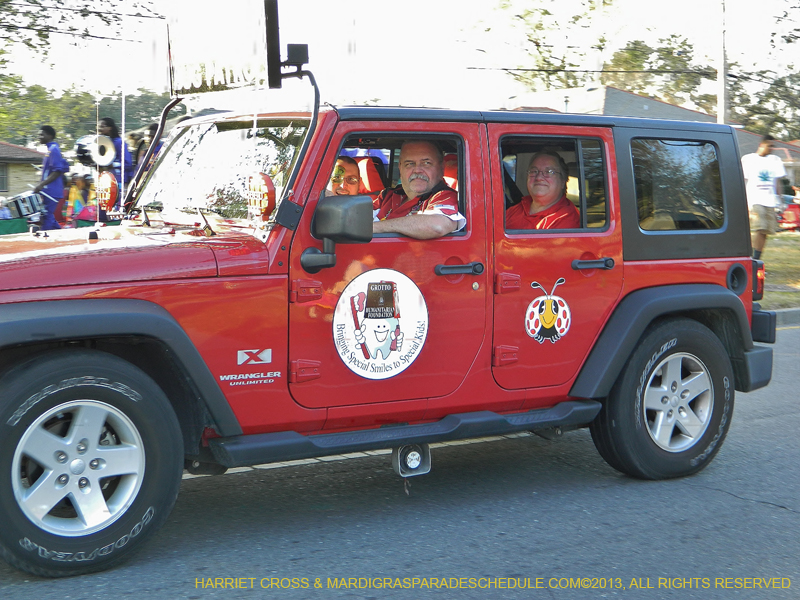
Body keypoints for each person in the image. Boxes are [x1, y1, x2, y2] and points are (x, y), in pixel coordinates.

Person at [372, 141, 465, 239]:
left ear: (442, 168)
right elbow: (360, 218)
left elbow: (436, 226)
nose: (417, 170)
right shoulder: (388, 195)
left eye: (426, 163)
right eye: (409, 164)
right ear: (400, 168)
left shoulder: (445, 196)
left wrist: (373, 228)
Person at [505, 151, 581, 230]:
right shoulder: (520, 206)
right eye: (534, 171)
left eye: (549, 172)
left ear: (562, 181)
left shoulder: (567, 220)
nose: (539, 178)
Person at [741, 135, 786, 259]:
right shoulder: (748, 159)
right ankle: (752, 259)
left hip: (770, 200)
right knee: (759, 227)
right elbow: (742, 180)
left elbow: (777, 181)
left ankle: (757, 258)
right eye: (769, 146)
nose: (772, 148)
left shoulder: (775, 160)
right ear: (761, 145)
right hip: (754, 200)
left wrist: (780, 200)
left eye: (773, 146)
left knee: (765, 231)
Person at [32, 125, 69, 230]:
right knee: (48, 217)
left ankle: (44, 241)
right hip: (48, 191)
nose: (39, 137)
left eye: (41, 134)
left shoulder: (54, 150)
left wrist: (41, 184)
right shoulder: (50, 150)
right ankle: (62, 236)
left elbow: (57, 171)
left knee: (47, 218)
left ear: (50, 136)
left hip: (51, 192)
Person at [98, 117, 134, 207]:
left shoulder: (119, 142)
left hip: (118, 181)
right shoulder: (100, 143)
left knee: (117, 207)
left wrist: (112, 164)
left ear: (110, 128)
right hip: (105, 181)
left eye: (102, 126)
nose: (99, 129)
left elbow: (127, 163)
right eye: (98, 126)